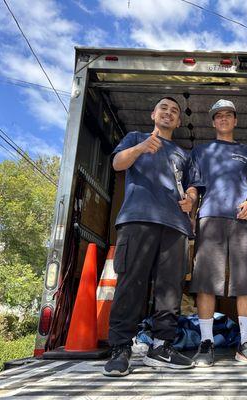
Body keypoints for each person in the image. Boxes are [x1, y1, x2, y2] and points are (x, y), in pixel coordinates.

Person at [103, 97, 196, 377]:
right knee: (131, 283)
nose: (169, 113)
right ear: (153, 113)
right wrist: (142, 148)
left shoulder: (183, 153)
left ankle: (162, 346)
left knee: (170, 288)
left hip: (176, 226)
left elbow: (192, 187)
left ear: (179, 122)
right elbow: (118, 164)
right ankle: (120, 348)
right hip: (137, 219)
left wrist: (191, 200)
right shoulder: (135, 138)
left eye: (174, 111)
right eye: (164, 108)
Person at [187, 99, 247, 367]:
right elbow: (193, 189)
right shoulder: (200, 151)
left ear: (236, 121)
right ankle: (206, 343)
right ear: (213, 122)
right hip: (209, 219)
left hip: (243, 221)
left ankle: (246, 344)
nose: (223, 119)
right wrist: (190, 214)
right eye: (218, 116)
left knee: (246, 282)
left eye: (228, 115)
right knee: (206, 281)